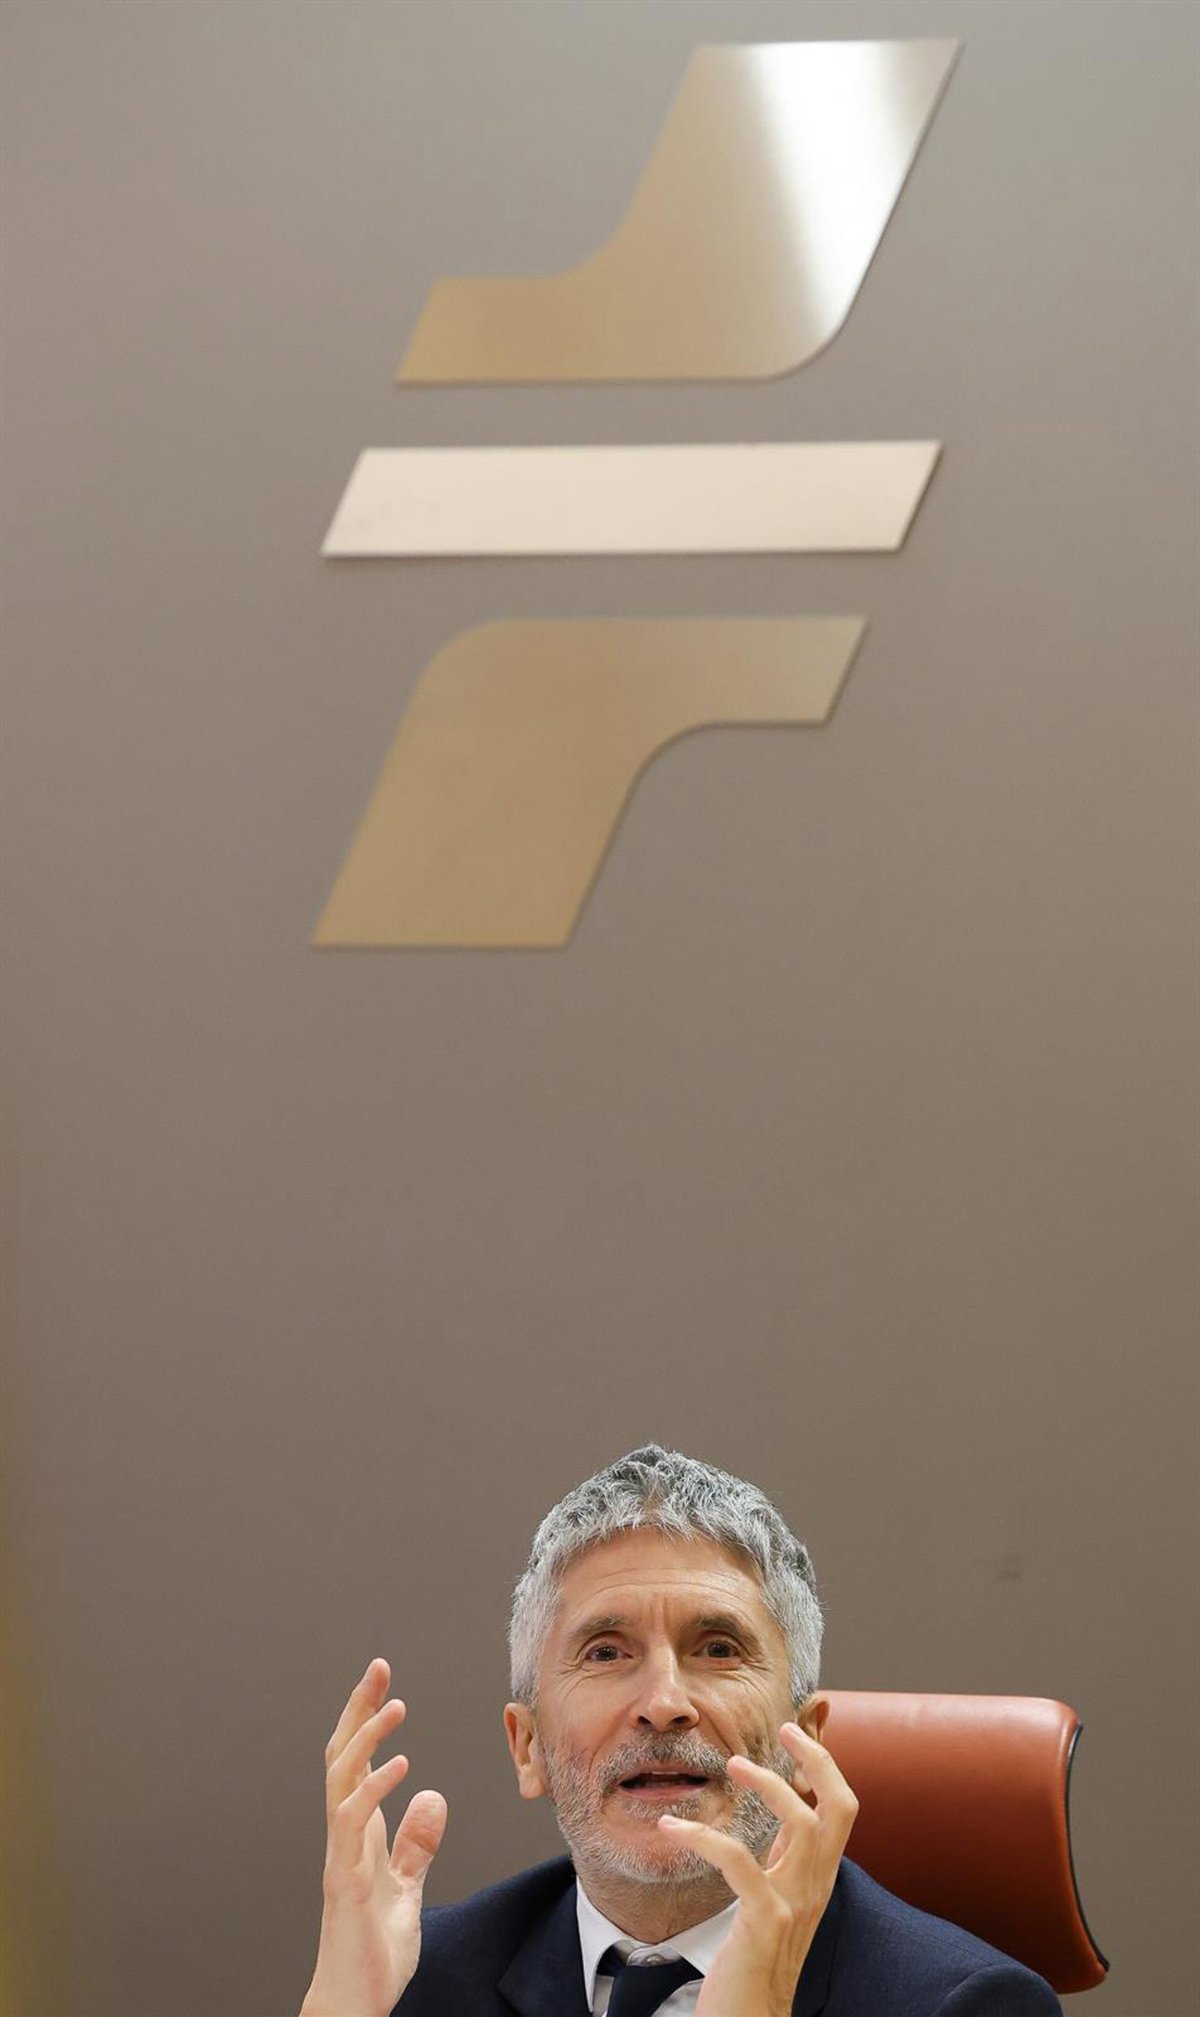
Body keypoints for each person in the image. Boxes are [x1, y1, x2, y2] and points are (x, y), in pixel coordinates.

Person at [299, 1446, 1061, 2016]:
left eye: (718, 1648)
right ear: (526, 1747)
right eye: (605, 1652)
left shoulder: (969, 2005)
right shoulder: (413, 1982)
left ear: (808, 1741)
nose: (663, 1703)